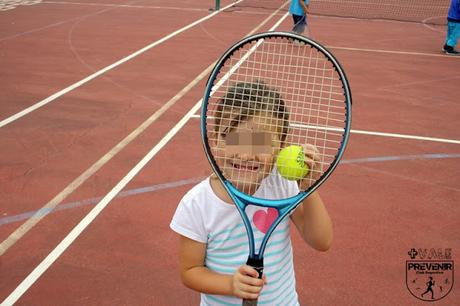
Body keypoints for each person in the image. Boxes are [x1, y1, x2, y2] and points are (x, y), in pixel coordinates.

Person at [170, 81, 333, 305]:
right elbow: (190, 271)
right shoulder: (197, 205)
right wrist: (230, 284)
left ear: (281, 148)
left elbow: (321, 240)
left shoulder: (282, 185)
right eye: (233, 139)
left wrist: (308, 190)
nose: (246, 155)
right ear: (216, 140)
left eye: (260, 143)